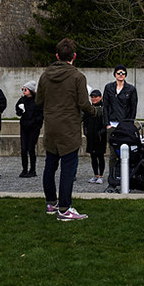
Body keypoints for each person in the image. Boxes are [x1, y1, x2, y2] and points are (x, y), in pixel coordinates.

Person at [36, 38, 97, 220]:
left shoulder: (45, 75)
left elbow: (38, 101)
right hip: (69, 128)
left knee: (50, 165)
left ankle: (50, 203)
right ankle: (64, 208)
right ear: (74, 56)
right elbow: (84, 104)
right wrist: (96, 111)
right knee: (68, 169)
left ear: (57, 56)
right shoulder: (78, 77)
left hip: (51, 127)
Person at [102, 65, 138, 190]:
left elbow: (133, 108)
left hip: (125, 127)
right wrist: (107, 124)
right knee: (113, 154)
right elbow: (105, 107)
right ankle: (112, 181)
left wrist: (129, 124)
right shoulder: (109, 88)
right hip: (112, 125)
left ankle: (126, 180)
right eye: (118, 73)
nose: (121, 75)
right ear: (115, 74)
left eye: (123, 73)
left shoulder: (131, 89)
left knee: (126, 153)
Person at [15, 80, 43, 178]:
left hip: (33, 128)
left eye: (25, 89)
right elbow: (18, 112)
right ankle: (24, 169)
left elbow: (40, 115)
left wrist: (34, 122)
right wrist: (20, 110)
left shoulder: (37, 101)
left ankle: (33, 169)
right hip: (24, 127)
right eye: (23, 89)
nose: (23, 91)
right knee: (23, 149)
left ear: (30, 90)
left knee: (31, 148)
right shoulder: (22, 100)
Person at [84, 89, 107, 184]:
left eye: (95, 97)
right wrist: (85, 131)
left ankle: (101, 175)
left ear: (100, 97)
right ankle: (95, 174)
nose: (93, 98)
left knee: (100, 156)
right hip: (91, 135)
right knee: (93, 156)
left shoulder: (104, 108)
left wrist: (101, 132)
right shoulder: (89, 108)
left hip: (100, 136)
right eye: (92, 97)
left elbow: (106, 123)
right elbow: (85, 121)